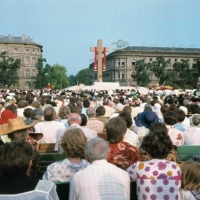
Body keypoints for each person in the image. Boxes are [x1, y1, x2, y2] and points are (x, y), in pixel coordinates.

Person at [127, 122, 181, 200]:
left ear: (148, 149)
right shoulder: (177, 167)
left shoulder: (139, 167)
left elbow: (123, 176)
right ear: (169, 149)